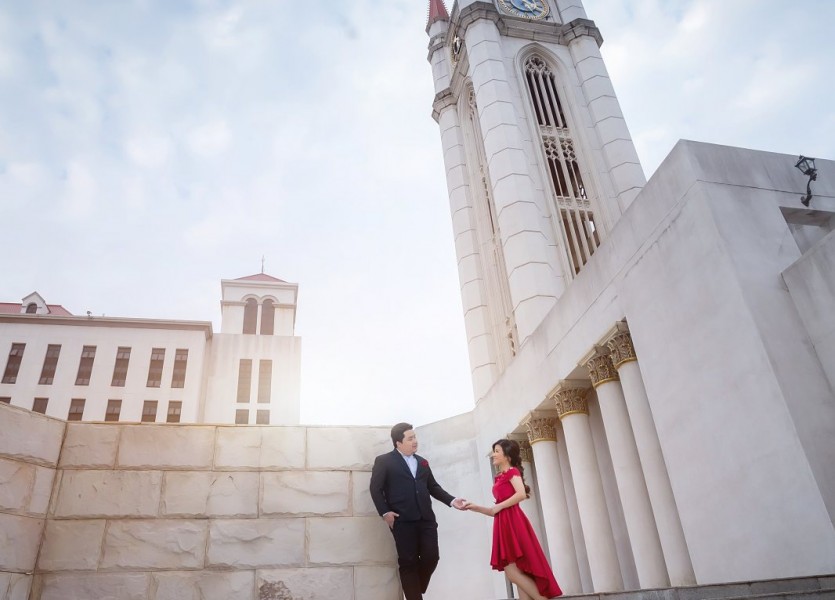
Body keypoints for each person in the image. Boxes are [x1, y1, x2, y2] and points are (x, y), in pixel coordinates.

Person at [369, 422, 467, 600]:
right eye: (411, 438)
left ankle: (414, 587)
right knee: (408, 563)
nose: (415, 441)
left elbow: (433, 487)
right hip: (402, 520)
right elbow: (375, 489)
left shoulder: (422, 462)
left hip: (426, 519)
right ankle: (414, 594)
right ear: (398, 442)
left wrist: (452, 501)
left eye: (415, 437)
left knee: (432, 557)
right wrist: (385, 513)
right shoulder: (384, 461)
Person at [465, 438, 562, 600]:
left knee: (512, 573)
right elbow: (494, 510)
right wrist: (475, 507)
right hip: (504, 523)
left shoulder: (512, 472)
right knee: (517, 573)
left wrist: (500, 506)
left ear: (507, 456)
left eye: (497, 451)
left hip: (513, 523)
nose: (493, 455)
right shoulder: (499, 477)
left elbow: (521, 494)